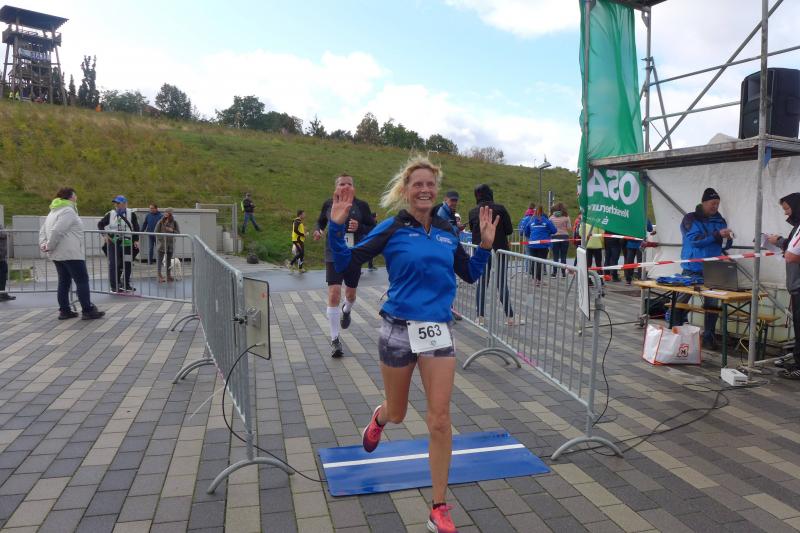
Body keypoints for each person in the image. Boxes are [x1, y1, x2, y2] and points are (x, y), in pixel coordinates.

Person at [327, 156, 496, 533]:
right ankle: (380, 417)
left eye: (430, 184)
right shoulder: (392, 228)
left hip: (437, 330)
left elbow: (469, 274)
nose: (425, 190)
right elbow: (347, 264)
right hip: (398, 330)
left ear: (436, 191)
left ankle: (438, 508)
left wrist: (484, 246)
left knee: (440, 419)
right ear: (406, 191)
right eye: (417, 184)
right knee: (399, 413)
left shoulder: (447, 231)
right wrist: (336, 229)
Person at [313, 174, 375, 358]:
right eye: (342, 184)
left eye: (349, 184)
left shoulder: (362, 206)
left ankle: (346, 310)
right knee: (334, 293)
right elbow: (320, 221)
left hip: (354, 253)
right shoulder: (328, 204)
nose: (345, 187)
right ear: (336, 187)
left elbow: (374, 227)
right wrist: (318, 230)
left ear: (353, 187)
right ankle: (335, 340)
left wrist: (360, 227)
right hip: (333, 253)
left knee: (350, 295)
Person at [676, 187, 733, 349]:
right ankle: (674, 331)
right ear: (703, 202)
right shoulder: (690, 218)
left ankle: (709, 337)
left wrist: (728, 238)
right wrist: (717, 235)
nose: (715, 206)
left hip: (712, 269)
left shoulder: (720, 220)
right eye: (712, 203)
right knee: (680, 302)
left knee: (712, 305)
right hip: (691, 268)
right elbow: (695, 240)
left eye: (717, 204)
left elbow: (723, 244)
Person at [39, 188, 104, 320]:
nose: (76, 197)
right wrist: (49, 245)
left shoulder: (53, 211)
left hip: (58, 254)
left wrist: (44, 244)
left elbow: (43, 230)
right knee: (82, 280)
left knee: (64, 282)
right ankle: (87, 310)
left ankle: (65, 311)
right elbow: (57, 231)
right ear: (69, 197)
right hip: (71, 253)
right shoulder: (68, 211)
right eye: (75, 195)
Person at [469, 184, 517, 326]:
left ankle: (480, 316)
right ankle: (510, 317)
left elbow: (473, 230)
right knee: (501, 283)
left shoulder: (473, 212)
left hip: (481, 251)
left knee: (482, 283)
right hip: (499, 250)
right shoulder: (500, 209)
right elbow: (509, 230)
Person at [767, 192, 800, 378]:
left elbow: (792, 254)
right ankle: (797, 361)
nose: (786, 213)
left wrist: (780, 243)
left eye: (787, 208)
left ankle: (799, 367)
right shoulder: (796, 227)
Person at [98, 195, 140, 293]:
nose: (116, 205)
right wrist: (104, 235)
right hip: (114, 242)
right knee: (114, 263)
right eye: (115, 203)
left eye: (118, 203)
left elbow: (136, 227)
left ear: (125, 203)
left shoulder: (131, 214)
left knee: (127, 263)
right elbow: (100, 224)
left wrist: (136, 240)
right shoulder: (111, 214)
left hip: (127, 242)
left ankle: (126, 284)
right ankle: (114, 286)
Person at [525, 206, 556, 286]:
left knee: (533, 262)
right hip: (543, 245)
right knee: (540, 262)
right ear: (542, 212)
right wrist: (547, 232)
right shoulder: (546, 221)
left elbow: (526, 231)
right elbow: (554, 230)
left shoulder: (531, 221)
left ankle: (534, 279)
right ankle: (538, 280)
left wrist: (532, 235)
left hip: (532, 244)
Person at [623, 220, 655, 285]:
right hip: (639, 244)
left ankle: (629, 279)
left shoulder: (631, 217)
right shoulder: (644, 218)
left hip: (632, 243)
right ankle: (639, 278)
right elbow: (650, 229)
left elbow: (625, 228)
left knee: (630, 262)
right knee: (640, 262)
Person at [155, 208, 180, 282]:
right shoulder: (160, 221)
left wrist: (172, 231)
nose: (166, 213)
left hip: (170, 244)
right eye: (165, 212)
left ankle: (168, 275)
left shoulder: (174, 222)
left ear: (171, 214)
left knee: (169, 261)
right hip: (162, 244)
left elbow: (178, 233)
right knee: (159, 260)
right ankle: (159, 276)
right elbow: (156, 231)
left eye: (168, 212)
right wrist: (160, 239)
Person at [549, 203, 571, 277]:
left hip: (554, 237)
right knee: (563, 256)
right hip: (564, 237)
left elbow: (549, 228)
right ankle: (563, 273)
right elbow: (569, 228)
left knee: (555, 256)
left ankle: (554, 273)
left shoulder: (551, 217)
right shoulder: (566, 217)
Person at [0, 223, 14, 301]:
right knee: (2, 273)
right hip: (0, 256)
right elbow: (3, 234)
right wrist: (6, 233)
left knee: (3, 273)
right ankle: (2, 294)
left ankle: (3, 293)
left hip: (2, 256)